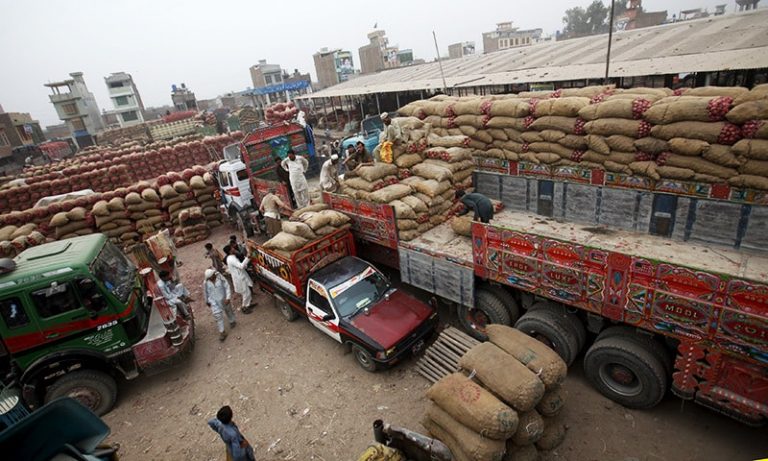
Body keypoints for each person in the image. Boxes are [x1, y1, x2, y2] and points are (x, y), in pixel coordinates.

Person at [203, 269, 236, 341]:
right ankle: (222, 332)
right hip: (214, 302)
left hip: (224, 298)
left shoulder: (220, 277)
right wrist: (207, 301)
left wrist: (228, 297)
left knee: (228, 310)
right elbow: (205, 292)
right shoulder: (206, 282)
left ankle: (232, 320)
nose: (212, 278)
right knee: (218, 316)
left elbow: (227, 286)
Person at [225, 244, 255, 314]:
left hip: (240, 276)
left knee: (247, 292)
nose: (233, 249)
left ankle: (248, 305)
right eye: (232, 248)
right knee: (246, 293)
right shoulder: (232, 259)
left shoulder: (230, 258)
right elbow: (241, 266)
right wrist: (247, 257)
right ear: (230, 251)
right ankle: (244, 307)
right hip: (240, 279)